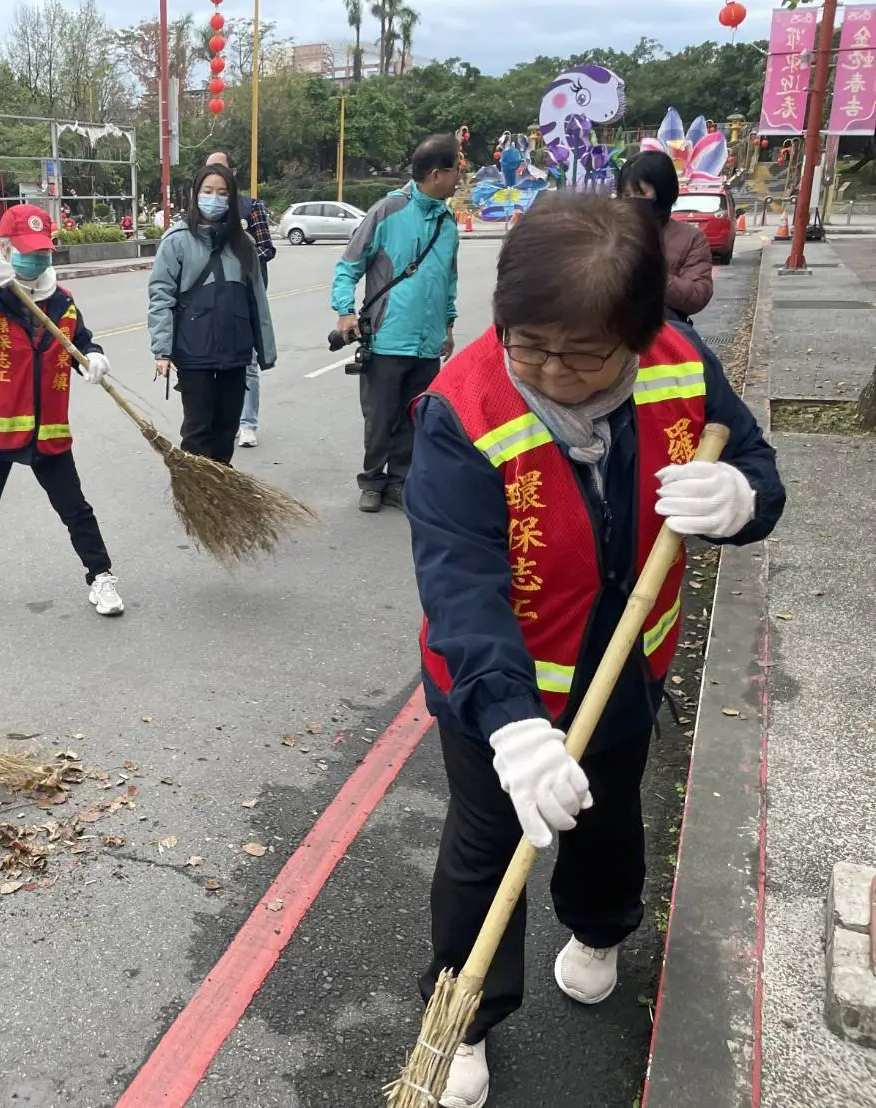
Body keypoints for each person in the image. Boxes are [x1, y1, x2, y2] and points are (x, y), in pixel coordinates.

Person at [404, 194, 784, 1108]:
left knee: (606, 820)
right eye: (527, 342)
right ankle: (462, 1019)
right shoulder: (462, 407)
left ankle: (601, 927)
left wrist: (737, 497)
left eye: (580, 351)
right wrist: (511, 726)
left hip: (624, 675)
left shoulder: (680, 364)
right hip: (497, 691)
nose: (548, 368)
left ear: (637, 331)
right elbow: (459, 580)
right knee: (487, 849)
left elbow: (759, 470)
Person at [0, 204, 120, 622]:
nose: (35, 259)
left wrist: (93, 356)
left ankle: (101, 576)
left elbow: (81, 340)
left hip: (47, 429)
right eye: (25, 250)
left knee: (75, 507)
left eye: (42, 251)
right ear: (4, 248)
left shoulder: (61, 302)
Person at [332, 133, 461, 512]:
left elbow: (448, 278)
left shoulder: (448, 221)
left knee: (414, 417)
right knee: (381, 417)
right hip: (388, 339)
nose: (459, 180)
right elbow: (348, 267)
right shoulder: (388, 211)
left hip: (427, 342)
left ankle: (400, 482)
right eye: (456, 172)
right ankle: (372, 481)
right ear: (436, 174)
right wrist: (345, 311)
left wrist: (448, 325)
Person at [147, 164, 277, 465]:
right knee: (198, 430)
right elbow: (160, 297)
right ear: (196, 194)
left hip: (236, 351)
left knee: (226, 429)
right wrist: (162, 350)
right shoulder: (176, 240)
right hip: (194, 352)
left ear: (232, 199)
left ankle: (222, 491)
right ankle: (200, 496)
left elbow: (257, 300)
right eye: (208, 191)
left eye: (222, 193)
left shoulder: (244, 244)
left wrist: (265, 350)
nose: (215, 198)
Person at [204, 150, 277, 450]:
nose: (215, 175)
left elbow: (267, 249)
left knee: (246, 363)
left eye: (221, 169)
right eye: (209, 170)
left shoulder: (250, 207)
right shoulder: (199, 208)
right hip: (207, 300)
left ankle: (247, 423)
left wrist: (241, 262)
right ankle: (219, 421)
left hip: (242, 296)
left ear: (233, 172)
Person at [616, 150, 714, 324]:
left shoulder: (691, 239)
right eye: (626, 195)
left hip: (666, 332)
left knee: (700, 352)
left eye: (641, 193)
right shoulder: (609, 231)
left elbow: (698, 296)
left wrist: (651, 276)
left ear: (663, 192)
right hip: (609, 335)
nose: (632, 202)